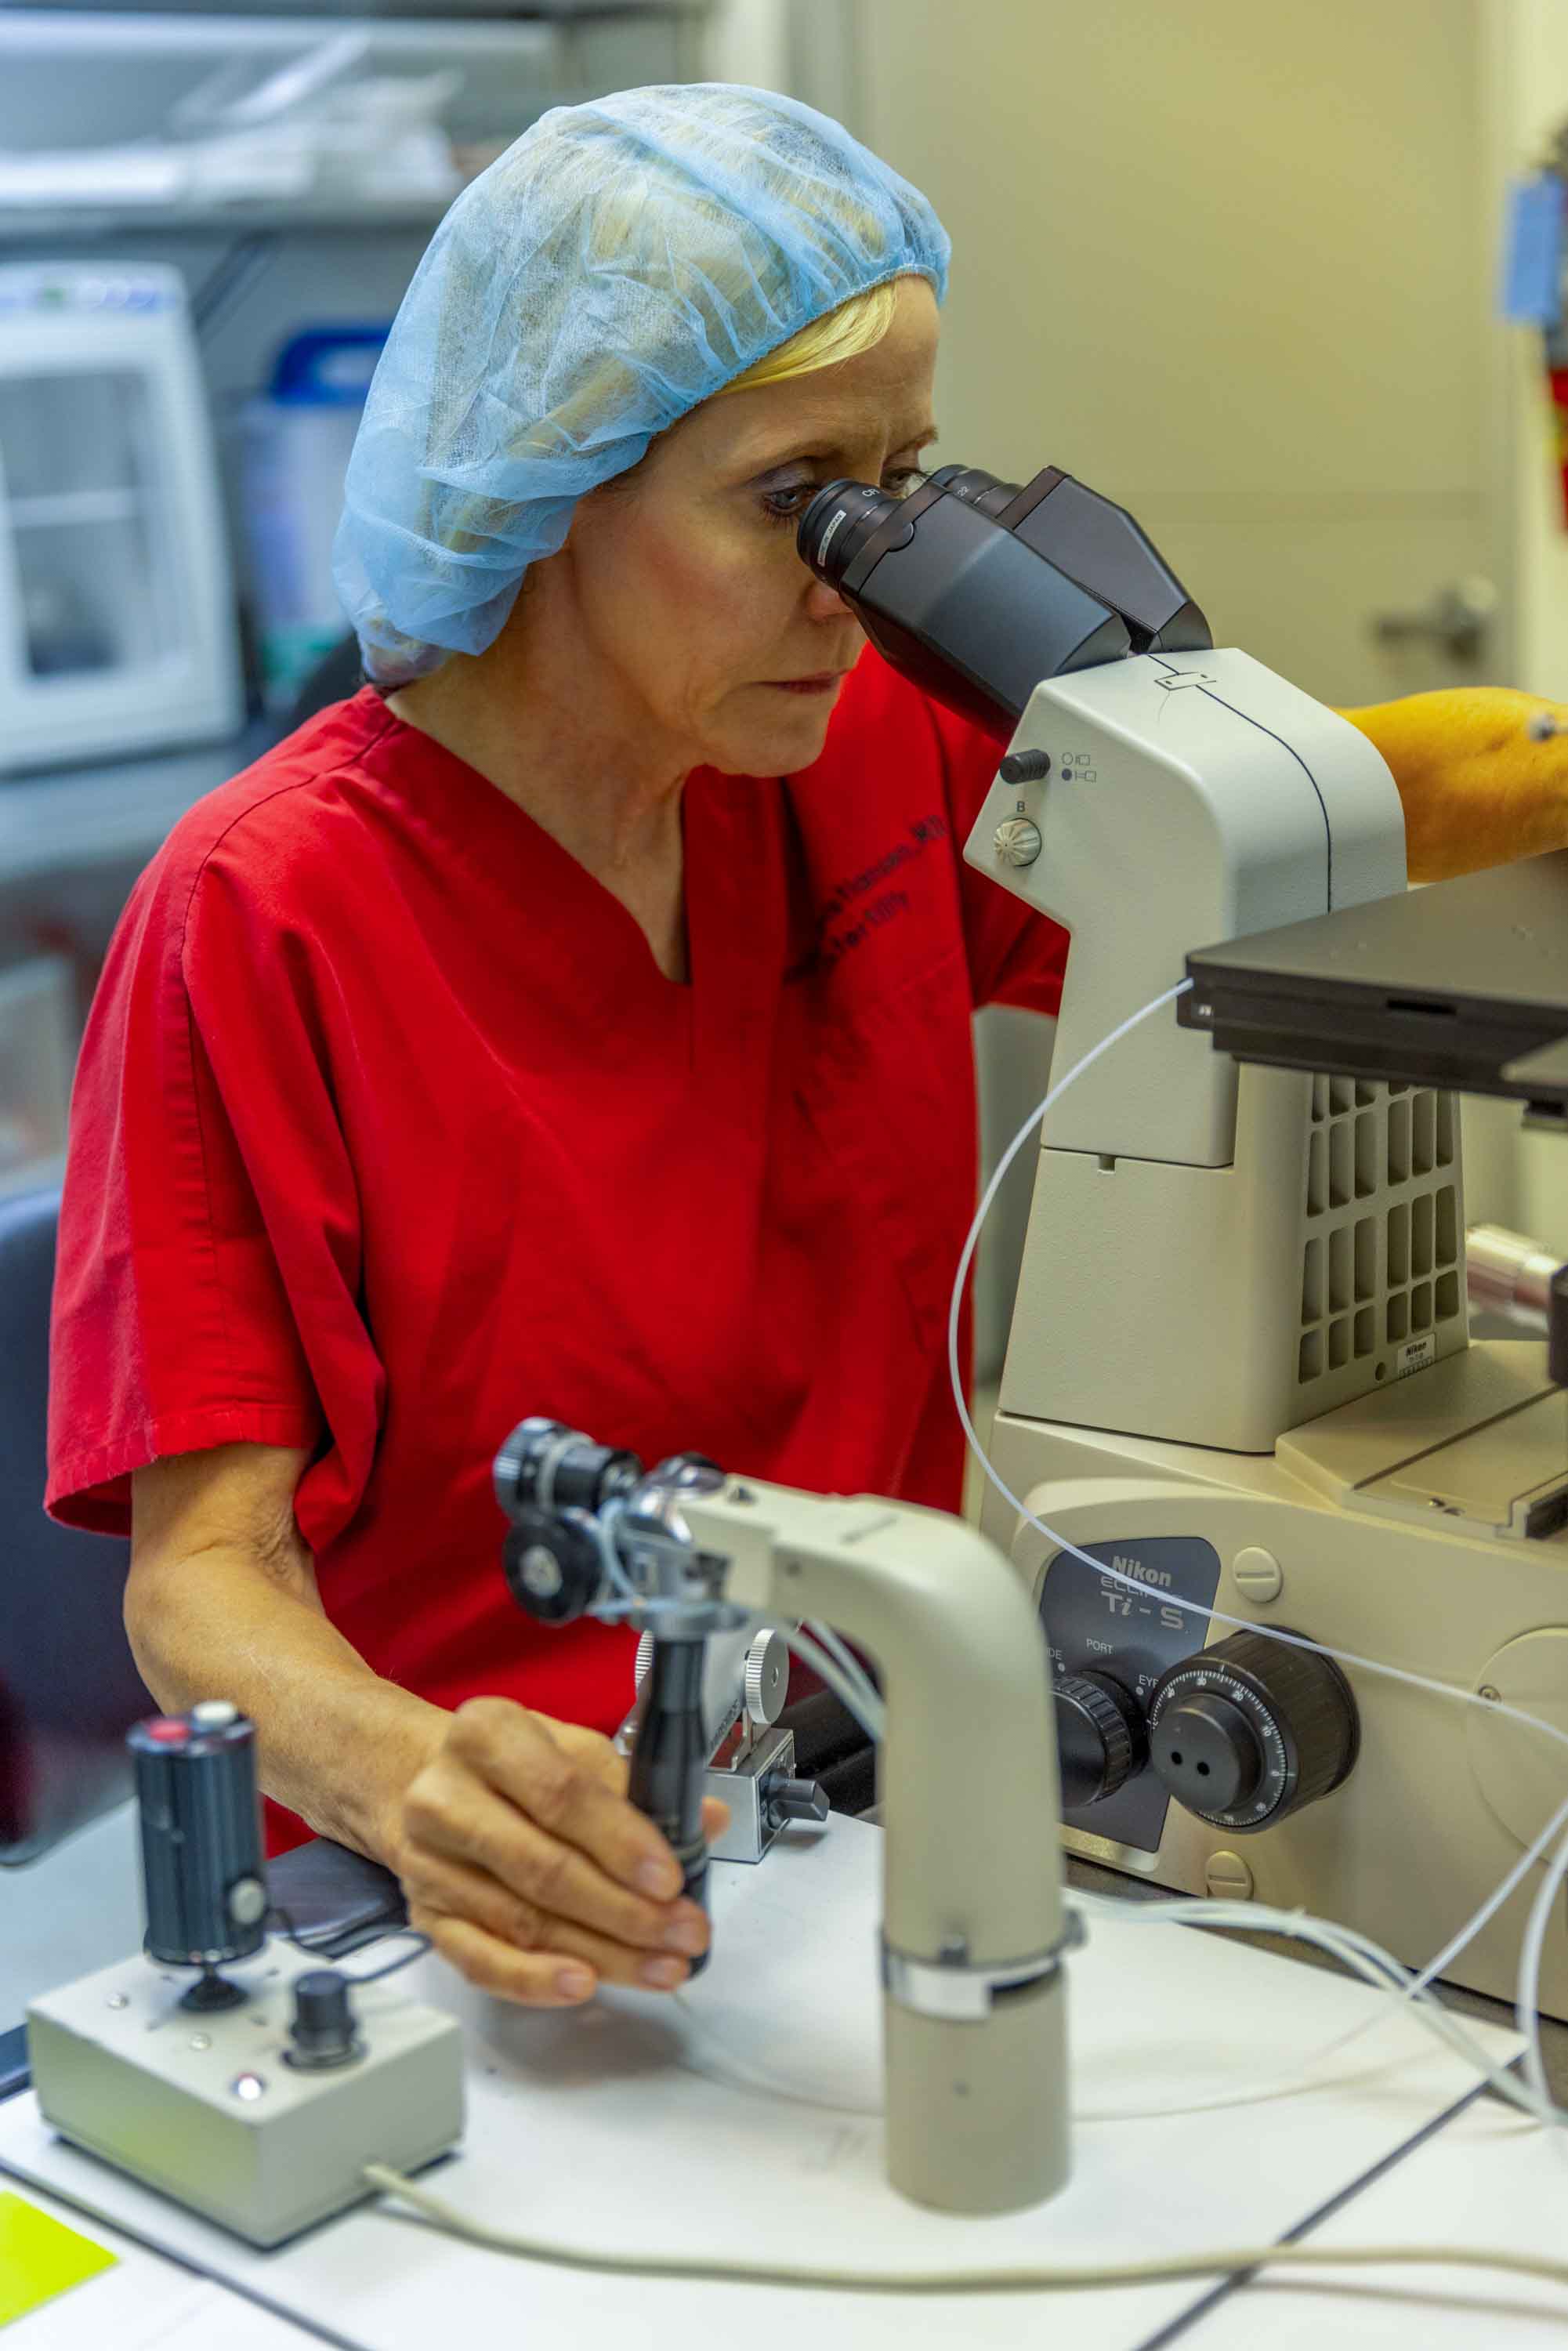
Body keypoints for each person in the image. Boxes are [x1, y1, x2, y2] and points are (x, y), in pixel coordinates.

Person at [45, 84, 1568, 2014]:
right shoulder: (263, 910)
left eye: (904, 481)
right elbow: (199, 1581)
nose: (860, 586)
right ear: (554, 473)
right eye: (793, 499)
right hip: (486, 1886)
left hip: (877, 1792)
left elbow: (1320, 810)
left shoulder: (855, 753)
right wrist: (418, 1775)